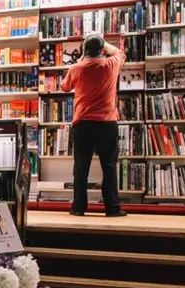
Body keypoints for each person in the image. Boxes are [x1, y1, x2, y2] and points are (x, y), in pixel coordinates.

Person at [60, 33, 127, 217]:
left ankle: (78, 208)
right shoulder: (111, 64)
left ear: (84, 50)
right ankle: (112, 209)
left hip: (83, 123)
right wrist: (105, 44)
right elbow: (120, 53)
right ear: (101, 50)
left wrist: (82, 58)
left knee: (81, 168)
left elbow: (64, 87)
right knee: (110, 166)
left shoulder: (76, 68)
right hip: (107, 122)